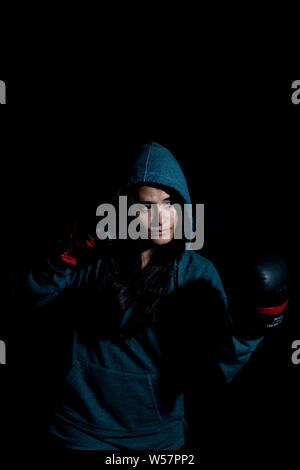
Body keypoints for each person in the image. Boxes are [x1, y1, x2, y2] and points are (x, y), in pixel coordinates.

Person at [23, 142, 264, 451]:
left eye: (169, 203)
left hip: (157, 437)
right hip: (78, 428)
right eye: (148, 206)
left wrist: (251, 330)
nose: (162, 217)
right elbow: (31, 299)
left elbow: (216, 371)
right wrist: (64, 256)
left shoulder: (197, 272)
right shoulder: (97, 260)